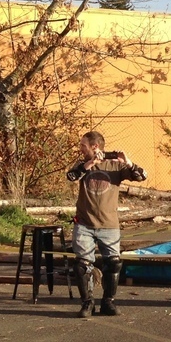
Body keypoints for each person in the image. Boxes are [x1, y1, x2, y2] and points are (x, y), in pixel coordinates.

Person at [66, 131, 146, 318]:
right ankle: (87, 303)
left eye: (83, 145)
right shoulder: (82, 165)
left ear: (95, 146)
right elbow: (71, 176)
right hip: (85, 223)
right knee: (82, 265)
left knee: (114, 263)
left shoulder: (115, 166)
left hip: (109, 225)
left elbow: (141, 176)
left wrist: (128, 162)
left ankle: (108, 301)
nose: (80, 148)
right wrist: (90, 164)